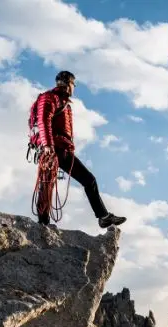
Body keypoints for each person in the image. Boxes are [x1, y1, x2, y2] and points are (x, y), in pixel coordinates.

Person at [31, 70, 126, 228]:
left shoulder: (61, 101)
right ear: (69, 84)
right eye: (73, 85)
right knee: (79, 180)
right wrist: (47, 145)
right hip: (53, 149)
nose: (74, 88)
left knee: (49, 183)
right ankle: (44, 222)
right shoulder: (50, 98)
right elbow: (43, 119)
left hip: (58, 148)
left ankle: (44, 221)